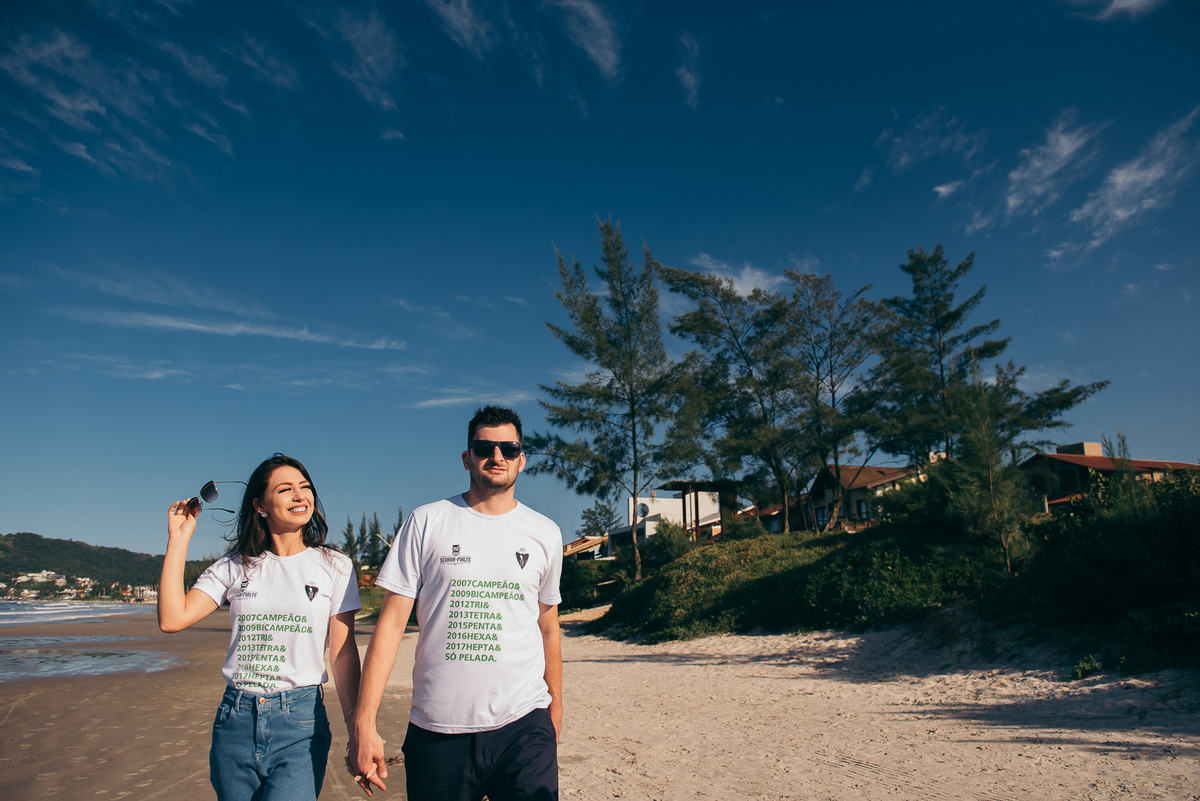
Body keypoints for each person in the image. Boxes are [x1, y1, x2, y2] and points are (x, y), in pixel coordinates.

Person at [348, 405, 563, 800]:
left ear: (522, 460)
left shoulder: (545, 533)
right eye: (485, 447)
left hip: (524, 725)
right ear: (467, 458)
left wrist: (556, 710)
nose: (497, 457)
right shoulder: (426, 521)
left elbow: (548, 625)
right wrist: (364, 721)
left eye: (508, 449)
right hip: (437, 729)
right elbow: (392, 624)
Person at [158, 453, 363, 801]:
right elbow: (172, 618)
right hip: (235, 721)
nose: (301, 496)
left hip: (300, 722)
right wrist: (179, 539)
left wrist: (358, 728)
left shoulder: (335, 566)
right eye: (286, 489)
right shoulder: (234, 567)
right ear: (260, 505)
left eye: (305, 487)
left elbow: (343, 655)